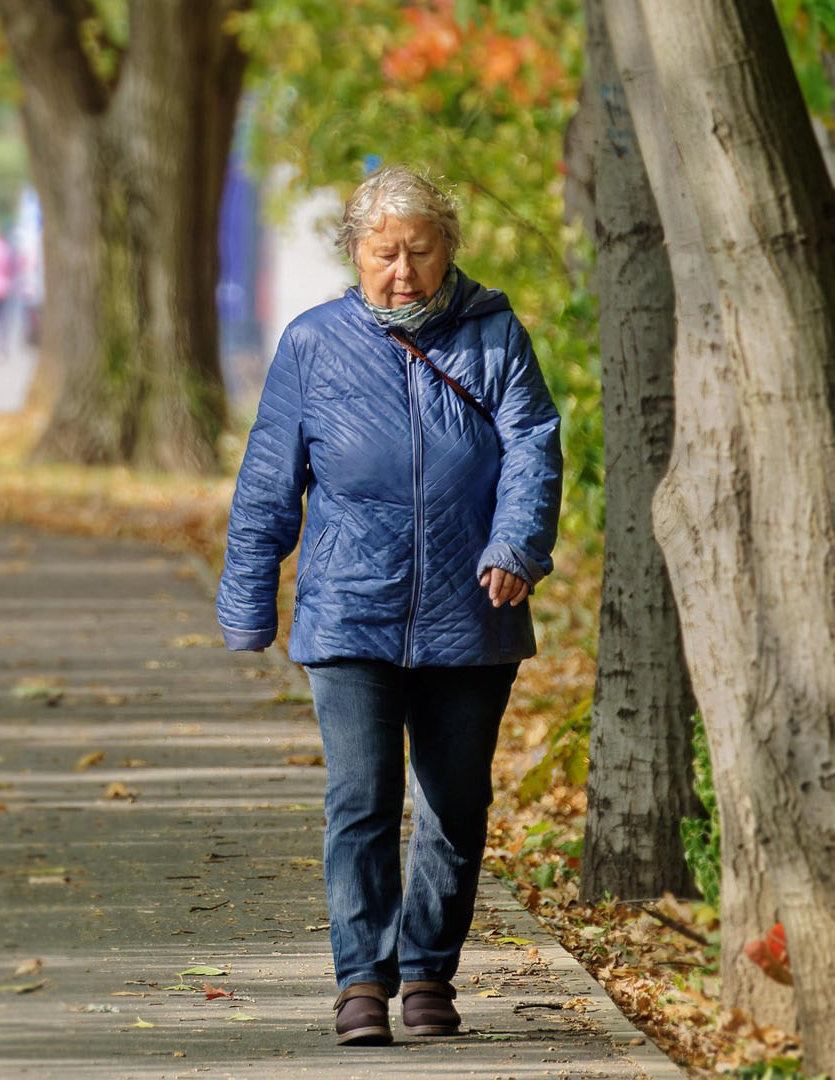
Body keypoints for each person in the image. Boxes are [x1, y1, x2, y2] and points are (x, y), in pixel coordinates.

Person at [215, 165, 562, 1048]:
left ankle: (426, 975)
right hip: (347, 611)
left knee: (453, 804)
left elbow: (532, 442)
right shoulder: (311, 344)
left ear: (448, 249)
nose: (402, 269)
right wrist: (249, 600)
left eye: (419, 249)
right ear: (355, 256)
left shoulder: (494, 335)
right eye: (383, 252)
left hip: (470, 608)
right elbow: (268, 481)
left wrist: (516, 544)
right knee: (361, 800)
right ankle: (360, 982)